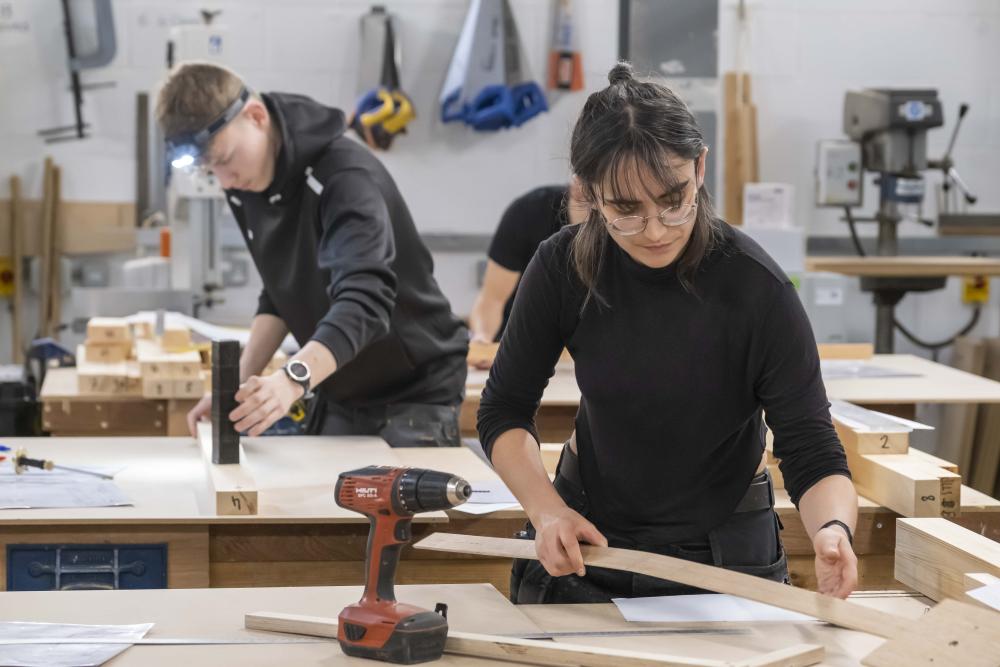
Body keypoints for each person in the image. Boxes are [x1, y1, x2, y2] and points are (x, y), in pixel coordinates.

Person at [477, 62, 858, 603]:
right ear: (588, 193)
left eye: (673, 201)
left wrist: (832, 531)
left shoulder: (757, 287)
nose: (655, 230)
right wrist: (546, 511)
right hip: (587, 542)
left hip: (727, 556)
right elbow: (504, 410)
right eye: (625, 210)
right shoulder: (563, 266)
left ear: (700, 169)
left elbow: (813, 449)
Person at [156, 62, 468, 446]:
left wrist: (292, 380)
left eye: (224, 160)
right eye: (209, 171)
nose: (225, 182)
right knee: (318, 502)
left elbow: (366, 303)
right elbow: (280, 290)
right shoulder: (246, 182)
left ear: (255, 117)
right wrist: (233, 389)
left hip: (412, 390)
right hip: (339, 385)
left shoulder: (344, 179)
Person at [468, 180, 588, 349]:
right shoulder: (530, 211)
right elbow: (492, 299)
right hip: (517, 342)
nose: (578, 179)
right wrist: (482, 338)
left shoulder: (625, 230)